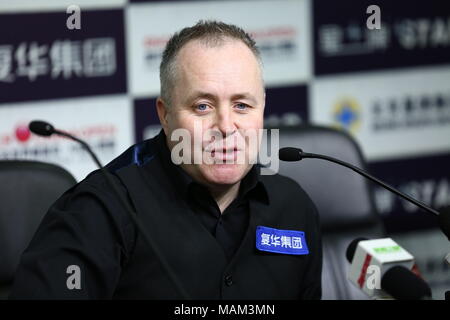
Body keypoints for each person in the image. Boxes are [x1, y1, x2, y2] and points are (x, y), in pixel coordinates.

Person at [10, 20, 322, 299]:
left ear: (262, 109)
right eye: (202, 106)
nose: (227, 127)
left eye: (242, 105)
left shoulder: (293, 207)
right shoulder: (100, 209)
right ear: (165, 114)